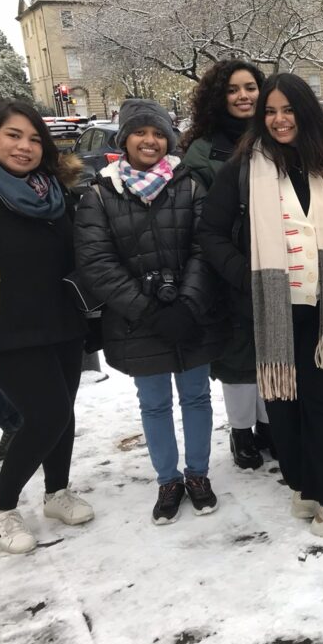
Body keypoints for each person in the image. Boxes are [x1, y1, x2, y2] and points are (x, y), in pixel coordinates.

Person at [199, 73, 323, 547]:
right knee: (283, 404)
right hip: (273, 307)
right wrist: (247, 275)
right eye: (271, 112)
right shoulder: (242, 169)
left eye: (288, 110)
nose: (279, 120)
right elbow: (211, 235)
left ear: (305, 112)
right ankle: (303, 486)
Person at [75, 99, 229, 525]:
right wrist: (146, 308)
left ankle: (197, 474)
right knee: (154, 403)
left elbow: (205, 245)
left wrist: (187, 303)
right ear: (125, 138)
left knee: (197, 397)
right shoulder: (100, 195)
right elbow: (96, 262)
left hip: (190, 313)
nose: (150, 140)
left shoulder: (190, 186)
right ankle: (168, 479)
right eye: (141, 132)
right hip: (137, 321)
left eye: (158, 133)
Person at [0, 100, 93, 553]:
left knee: (65, 411)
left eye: (34, 138)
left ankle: (56, 492)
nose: (24, 146)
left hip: (62, 321)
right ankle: (2, 509)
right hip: (6, 333)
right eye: (13, 136)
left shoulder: (55, 193)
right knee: (46, 416)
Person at [181, 59, 273, 471]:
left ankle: (272, 423)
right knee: (238, 357)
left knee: (274, 347)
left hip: (276, 261)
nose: (243, 96)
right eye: (233, 89)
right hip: (230, 267)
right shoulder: (203, 151)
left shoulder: (276, 136)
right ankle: (241, 431)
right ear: (220, 97)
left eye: (250, 87)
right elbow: (200, 219)